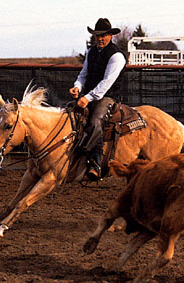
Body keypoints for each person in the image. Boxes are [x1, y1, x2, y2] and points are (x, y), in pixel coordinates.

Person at [69, 18, 127, 181]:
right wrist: (77, 87)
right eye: (97, 36)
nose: (100, 39)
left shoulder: (117, 56)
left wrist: (87, 98)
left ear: (110, 36)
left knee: (95, 121)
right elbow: (83, 75)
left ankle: (96, 163)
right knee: (68, 116)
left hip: (108, 97)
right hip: (90, 95)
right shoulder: (91, 52)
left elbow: (106, 83)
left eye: (104, 35)